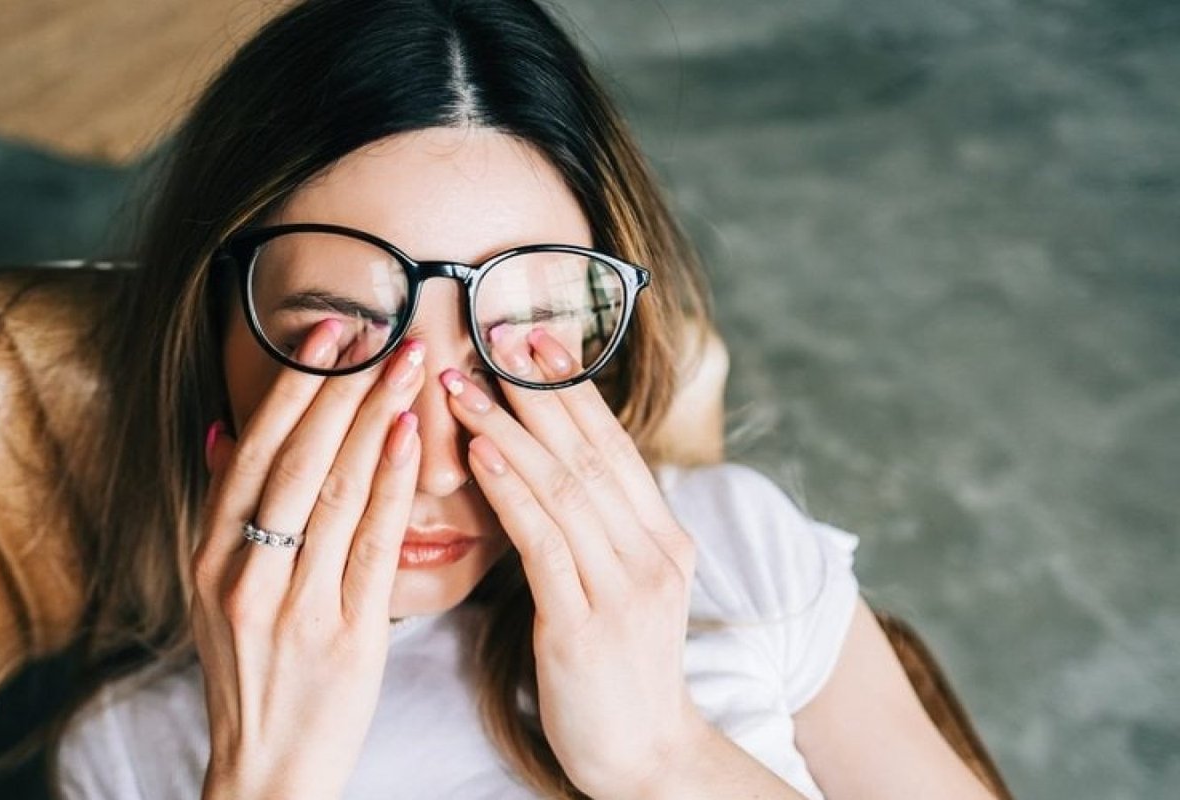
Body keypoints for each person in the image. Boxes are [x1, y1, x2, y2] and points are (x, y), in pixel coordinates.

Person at [52, 0, 997, 797]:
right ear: (207, 332)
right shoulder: (128, 756)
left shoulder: (737, 550)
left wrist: (662, 758)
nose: (436, 464)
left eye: (523, 339)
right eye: (338, 344)